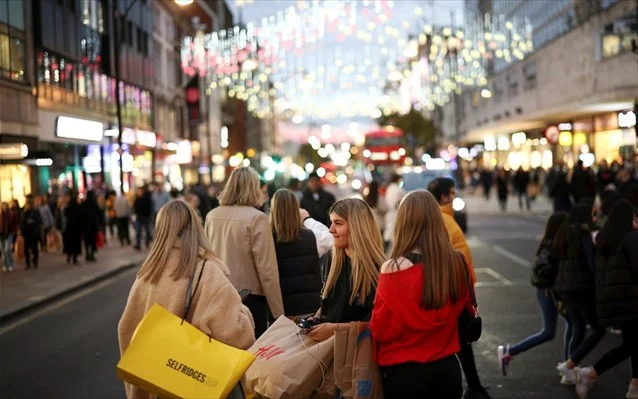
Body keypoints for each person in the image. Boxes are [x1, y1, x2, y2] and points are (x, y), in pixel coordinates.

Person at [118, 200, 255, 399]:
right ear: (195, 228)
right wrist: (245, 314)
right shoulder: (208, 272)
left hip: (156, 385)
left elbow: (126, 330)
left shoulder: (147, 274)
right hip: (195, 385)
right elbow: (238, 335)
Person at [371, 190, 471, 398]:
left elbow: (381, 329)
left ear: (403, 223)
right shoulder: (457, 263)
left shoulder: (393, 268)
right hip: (446, 367)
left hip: (404, 371)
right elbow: (464, 309)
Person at [427, 177, 490, 398]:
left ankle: (473, 385)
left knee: (462, 340)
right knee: (461, 340)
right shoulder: (441, 220)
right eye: (452, 193)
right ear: (443, 196)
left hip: (459, 287)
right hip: (454, 289)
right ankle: (472, 387)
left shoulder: (445, 218)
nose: (455, 197)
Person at [205, 167, 284, 337]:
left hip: (218, 293)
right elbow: (267, 269)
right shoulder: (257, 218)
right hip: (249, 298)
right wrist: (278, 312)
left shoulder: (212, 216)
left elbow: (206, 257)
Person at [574, 200, 638, 398]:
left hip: (614, 301)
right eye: (634, 217)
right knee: (632, 345)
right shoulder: (631, 239)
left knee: (633, 343)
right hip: (631, 300)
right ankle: (590, 373)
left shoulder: (604, 239)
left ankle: (634, 386)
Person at [497, 212, 573, 378]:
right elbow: (544, 271)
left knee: (567, 325)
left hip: (549, 291)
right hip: (548, 292)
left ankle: (568, 365)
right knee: (551, 331)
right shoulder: (552, 246)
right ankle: (510, 351)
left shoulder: (551, 243)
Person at [305, 198, 385, 343]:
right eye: (331, 222)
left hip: (354, 354)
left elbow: (376, 324)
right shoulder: (332, 259)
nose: (331, 230)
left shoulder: (379, 269)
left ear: (357, 227)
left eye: (338, 223)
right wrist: (317, 317)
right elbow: (330, 302)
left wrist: (336, 329)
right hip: (327, 349)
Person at [553, 204, 604, 384]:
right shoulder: (584, 234)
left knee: (579, 326)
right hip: (580, 286)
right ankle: (569, 365)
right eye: (592, 213)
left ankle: (569, 371)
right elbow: (591, 262)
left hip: (563, 287)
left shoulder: (563, 231)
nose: (594, 217)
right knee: (598, 329)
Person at [270, 189, 332, 317]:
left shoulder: (267, 239)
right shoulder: (311, 236)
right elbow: (329, 238)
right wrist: (307, 219)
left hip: (281, 308)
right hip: (310, 306)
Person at [383, 173, 405, 252]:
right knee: (393, 235)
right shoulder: (398, 189)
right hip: (396, 214)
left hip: (390, 214)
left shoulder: (389, 188)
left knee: (389, 233)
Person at [20, 195, 42, 270]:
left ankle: (35, 261)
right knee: (26, 249)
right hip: (26, 233)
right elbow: (21, 222)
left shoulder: (36, 211)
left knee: (34, 248)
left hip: (34, 232)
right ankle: (28, 263)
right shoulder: (24, 211)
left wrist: (33, 222)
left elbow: (39, 220)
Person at [80, 190, 101, 262]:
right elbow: (98, 214)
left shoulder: (83, 204)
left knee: (87, 240)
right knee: (92, 241)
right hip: (93, 226)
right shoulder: (94, 204)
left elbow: (81, 216)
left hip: (85, 226)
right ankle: (91, 254)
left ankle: (87, 253)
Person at [63, 194, 83, 264]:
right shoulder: (78, 208)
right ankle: (75, 258)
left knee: (69, 243)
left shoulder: (68, 208)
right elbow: (81, 218)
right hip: (76, 229)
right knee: (76, 243)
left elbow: (65, 215)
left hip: (69, 228)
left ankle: (69, 256)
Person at [0, 202, 19, 272]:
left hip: (9, 233)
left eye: (5, 206)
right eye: (3, 206)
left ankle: (10, 264)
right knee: (2, 250)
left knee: (7, 249)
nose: (4, 207)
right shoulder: (0, 214)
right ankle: (5, 265)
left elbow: (16, 223)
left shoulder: (11, 214)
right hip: (1, 235)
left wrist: (15, 231)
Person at [133, 186, 153, 250]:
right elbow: (135, 207)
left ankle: (147, 243)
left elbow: (150, 207)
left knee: (148, 231)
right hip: (139, 217)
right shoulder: (137, 199)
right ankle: (138, 245)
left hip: (146, 217)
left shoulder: (147, 198)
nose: (139, 192)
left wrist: (149, 215)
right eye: (138, 191)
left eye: (140, 191)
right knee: (138, 232)